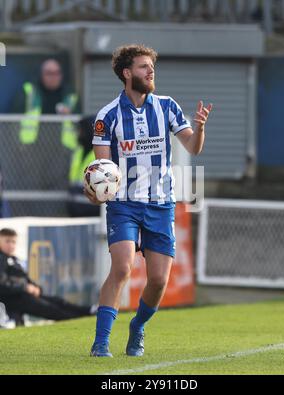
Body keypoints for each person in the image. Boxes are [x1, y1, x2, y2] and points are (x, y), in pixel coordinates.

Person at [85, 44, 212, 357]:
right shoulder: (107, 116)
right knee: (123, 268)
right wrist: (96, 191)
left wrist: (200, 129)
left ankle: (137, 327)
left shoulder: (167, 106)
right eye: (143, 67)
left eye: (151, 66)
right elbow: (103, 170)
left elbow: (193, 148)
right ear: (127, 74)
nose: (150, 71)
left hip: (160, 204)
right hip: (124, 205)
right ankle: (101, 342)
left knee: (157, 281)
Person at [10, 59, 80, 193]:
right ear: (41, 74)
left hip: (61, 150)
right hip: (31, 149)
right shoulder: (29, 91)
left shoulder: (70, 95)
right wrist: (17, 146)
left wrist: (70, 114)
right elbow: (13, 122)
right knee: (31, 186)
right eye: (49, 73)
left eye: (57, 73)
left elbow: (80, 122)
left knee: (58, 187)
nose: (53, 77)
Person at [0, 228, 96, 324]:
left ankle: (90, 311)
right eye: (7, 241)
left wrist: (35, 287)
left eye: (13, 242)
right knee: (51, 309)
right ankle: (79, 320)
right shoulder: (2, 259)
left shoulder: (14, 259)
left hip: (22, 295)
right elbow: (2, 284)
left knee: (58, 301)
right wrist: (25, 287)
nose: (11, 245)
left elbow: (25, 278)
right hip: (12, 299)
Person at [68, 115, 99, 217]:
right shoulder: (79, 151)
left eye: (81, 130)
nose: (79, 133)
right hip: (75, 208)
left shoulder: (100, 154)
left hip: (93, 211)